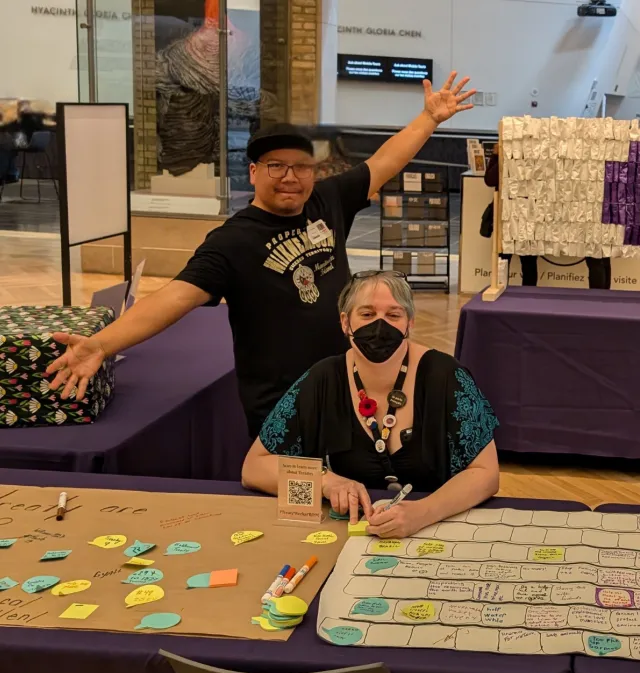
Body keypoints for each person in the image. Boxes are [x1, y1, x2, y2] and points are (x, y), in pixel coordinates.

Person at [45, 73, 478, 437]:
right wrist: (101, 343)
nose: (290, 177)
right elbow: (173, 298)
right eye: (276, 166)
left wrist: (429, 117)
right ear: (253, 172)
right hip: (282, 404)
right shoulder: (232, 241)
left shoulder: (327, 201)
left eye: (301, 167)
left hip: (347, 384)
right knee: (297, 503)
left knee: (349, 490)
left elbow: (386, 161)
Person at [241, 271, 500, 537]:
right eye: (366, 314)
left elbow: (486, 473)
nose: (380, 326)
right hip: (347, 535)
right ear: (345, 322)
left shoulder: (447, 376)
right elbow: (254, 468)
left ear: (409, 323)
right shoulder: (322, 380)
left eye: (393, 315)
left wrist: (424, 512)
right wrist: (324, 482)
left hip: (433, 532)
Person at [482, 151, 538, 286]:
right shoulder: (499, 153)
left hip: (527, 214)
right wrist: (503, 156)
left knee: (528, 260)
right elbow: (490, 180)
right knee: (503, 259)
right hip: (505, 214)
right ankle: (501, 291)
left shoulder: (534, 152)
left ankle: (529, 296)